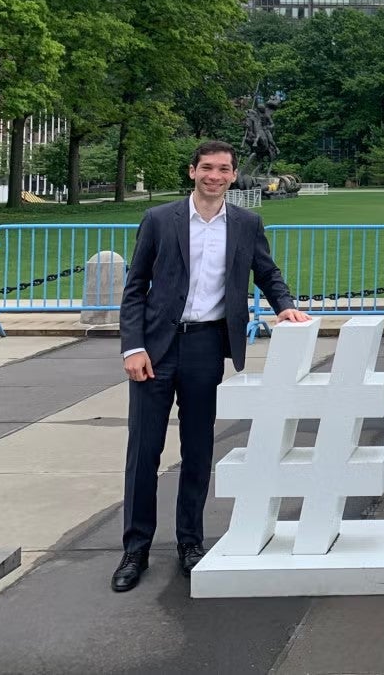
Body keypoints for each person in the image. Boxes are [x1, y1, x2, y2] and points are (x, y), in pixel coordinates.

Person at [112, 140, 311, 592]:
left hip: (206, 346)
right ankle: (135, 549)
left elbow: (267, 272)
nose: (214, 176)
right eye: (207, 168)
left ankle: (190, 543)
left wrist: (284, 306)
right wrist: (132, 348)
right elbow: (135, 287)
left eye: (223, 169)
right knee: (144, 453)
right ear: (192, 171)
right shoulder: (160, 220)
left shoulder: (245, 223)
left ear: (233, 175)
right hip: (156, 350)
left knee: (198, 451)